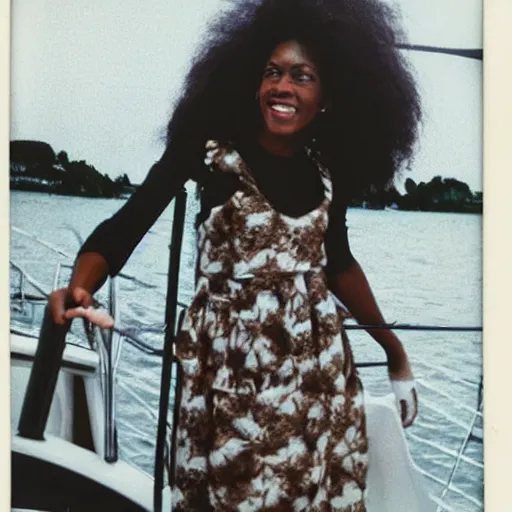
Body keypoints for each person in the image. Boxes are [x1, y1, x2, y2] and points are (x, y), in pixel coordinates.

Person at [50, 0, 422, 509]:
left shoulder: (326, 173)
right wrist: (81, 285)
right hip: (229, 381)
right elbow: (125, 226)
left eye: (301, 75)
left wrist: (395, 354)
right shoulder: (210, 157)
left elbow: (339, 266)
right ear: (252, 80)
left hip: (317, 381)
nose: (282, 87)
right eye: (272, 72)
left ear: (328, 97)